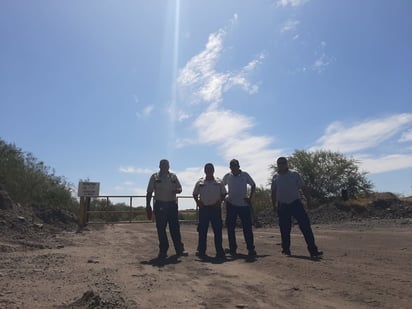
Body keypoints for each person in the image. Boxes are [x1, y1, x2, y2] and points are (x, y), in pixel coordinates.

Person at [271, 156, 323, 259]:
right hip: (283, 205)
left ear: (287, 164)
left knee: (305, 226)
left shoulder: (294, 174)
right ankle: (286, 250)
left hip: (295, 203)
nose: (281, 165)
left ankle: (313, 251)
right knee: (284, 229)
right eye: (279, 163)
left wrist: (308, 200)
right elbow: (273, 192)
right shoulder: (275, 177)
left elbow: (303, 188)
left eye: (283, 163)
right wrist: (274, 205)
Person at [146, 159, 188, 259]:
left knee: (175, 228)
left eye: (167, 165)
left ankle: (179, 249)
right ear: (159, 166)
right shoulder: (154, 177)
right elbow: (149, 192)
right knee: (161, 229)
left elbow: (180, 188)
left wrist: (177, 190)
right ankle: (163, 251)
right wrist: (148, 205)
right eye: (163, 165)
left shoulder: (173, 176)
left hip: (172, 205)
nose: (165, 166)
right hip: (160, 205)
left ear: (169, 166)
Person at [222, 159, 257, 257]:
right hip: (231, 205)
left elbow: (253, 185)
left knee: (247, 228)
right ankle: (233, 249)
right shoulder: (228, 176)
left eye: (235, 165)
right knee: (230, 228)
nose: (233, 167)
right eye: (231, 166)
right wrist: (224, 197)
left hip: (244, 205)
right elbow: (221, 185)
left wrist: (250, 198)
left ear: (238, 166)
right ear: (230, 167)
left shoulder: (245, 175)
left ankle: (251, 249)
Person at [193, 163, 227, 259]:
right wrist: (198, 202)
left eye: (210, 169)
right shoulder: (200, 182)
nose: (209, 171)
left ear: (213, 170)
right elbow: (195, 194)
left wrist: (220, 201)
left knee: (218, 231)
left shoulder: (219, 182)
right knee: (202, 231)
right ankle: (201, 251)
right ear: (204, 171)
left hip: (215, 209)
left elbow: (224, 193)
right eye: (207, 169)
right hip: (204, 209)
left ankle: (220, 251)